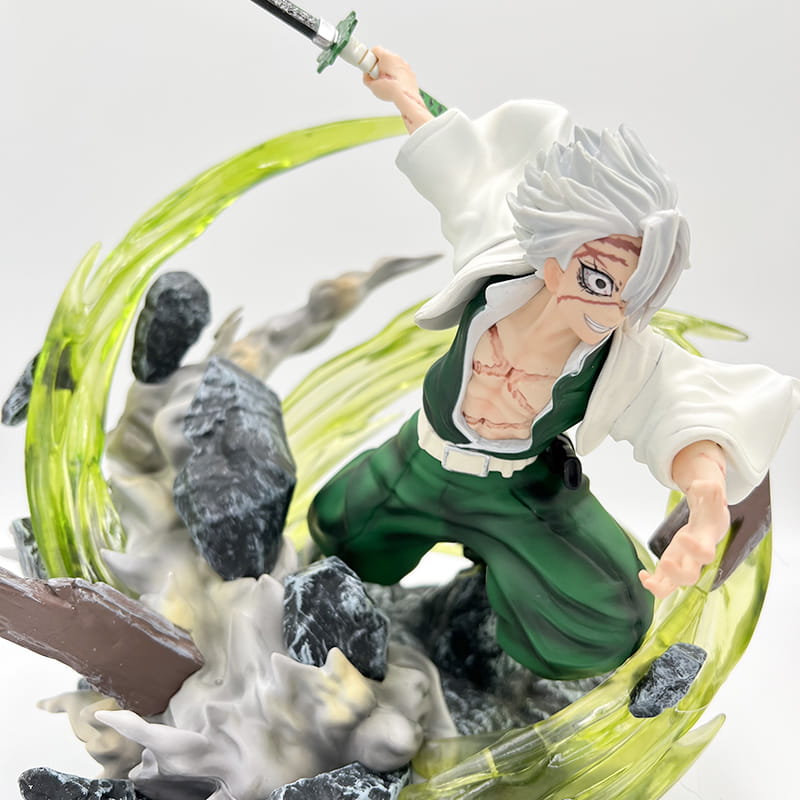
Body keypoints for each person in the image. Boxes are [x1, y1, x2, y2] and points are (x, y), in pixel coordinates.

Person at [308, 49, 800, 681]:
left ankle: (488, 631)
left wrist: (704, 495)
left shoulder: (619, 351)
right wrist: (404, 91)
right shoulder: (500, 260)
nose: (613, 309)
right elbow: (463, 175)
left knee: (607, 616)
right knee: (339, 532)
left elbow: (680, 406)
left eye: (635, 291)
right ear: (553, 257)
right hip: (419, 462)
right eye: (598, 279)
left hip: (517, 490)